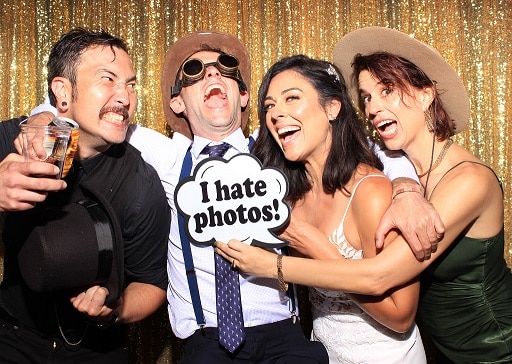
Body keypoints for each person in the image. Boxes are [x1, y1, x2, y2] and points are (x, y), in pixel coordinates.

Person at [215, 26, 512, 364]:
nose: (372, 108)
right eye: (367, 97)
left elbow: (381, 277)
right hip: (435, 348)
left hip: (492, 347)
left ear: (427, 95)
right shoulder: (401, 172)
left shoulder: (468, 180)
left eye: (387, 91)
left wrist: (278, 264)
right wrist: (404, 188)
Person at [0, 28, 170, 363]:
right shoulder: (14, 140)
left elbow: (153, 285)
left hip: (96, 350)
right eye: (108, 79)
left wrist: (113, 307)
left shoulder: (140, 182)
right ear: (63, 91)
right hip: (12, 337)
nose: (125, 97)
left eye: (131, 84)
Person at [251, 53, 426, 363]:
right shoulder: (289, 196)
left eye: (292, 98)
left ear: (332, 107)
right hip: (322, 351)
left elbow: (401, 316)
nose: (277, 113)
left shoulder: (371, 192)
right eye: (269, 106)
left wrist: (321, 249)